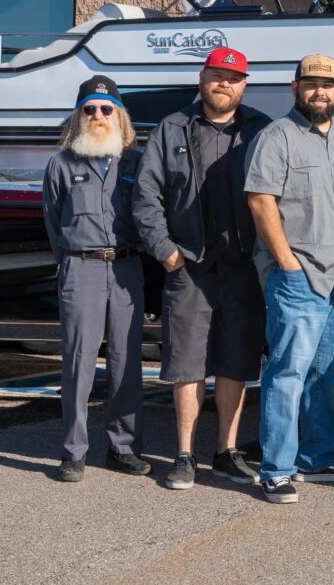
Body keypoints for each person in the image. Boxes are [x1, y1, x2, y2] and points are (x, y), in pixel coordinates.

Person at [133, 46, 271, 491]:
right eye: (217, 75)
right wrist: (167, 252)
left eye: (233, 78)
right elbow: (146, 195)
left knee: (236, 363)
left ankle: (226, 452)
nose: (224, 84)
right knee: (187, 364)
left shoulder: (261, 130)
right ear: (202, 77)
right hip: (189, 266)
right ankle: (185, 455)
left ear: (244, 84)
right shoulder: (171, 128)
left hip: (243, 267)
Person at [245, 54, 334, 504]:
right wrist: (285, 261)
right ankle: (276, 468)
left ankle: (317, 457)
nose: (319, 92)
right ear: (294, 87)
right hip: (299, 277)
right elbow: (261, 201)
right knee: (287, 372)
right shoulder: (277, 137)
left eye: (328, 84)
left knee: (327, 373)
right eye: (311, 84)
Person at [42, 76, 149, 483]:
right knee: (77, 363)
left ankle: (123, 448)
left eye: (106, 109)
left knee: (127, 362)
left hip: (126, 270)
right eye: (90, 108)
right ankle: (74, 452)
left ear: (119, 115)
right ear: (78, 115)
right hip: (81, 268)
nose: (98, 116)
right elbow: (53, 222)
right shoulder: (62, 164)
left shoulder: (135, 163)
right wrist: (71, 262)